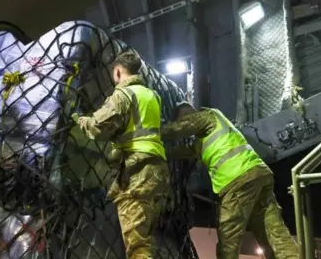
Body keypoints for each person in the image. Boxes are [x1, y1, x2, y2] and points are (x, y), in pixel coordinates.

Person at [161, 102, 298, 259]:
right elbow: (182, 151)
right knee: (273, 231)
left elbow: (177, 129)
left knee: (229, 238)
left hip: (238, 179)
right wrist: (159, 151)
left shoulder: (208, 116)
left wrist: (145, 134)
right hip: (258, 174)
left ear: (186, 116)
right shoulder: (204, 138)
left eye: (182, 120)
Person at [72, 51, 169, 259]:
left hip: (137, 171)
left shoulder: (124, 94)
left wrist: (80, 119)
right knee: (145, 238)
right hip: (157, 171)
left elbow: (97, 127)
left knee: (138, 246)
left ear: (117, 71)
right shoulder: (153, 96)